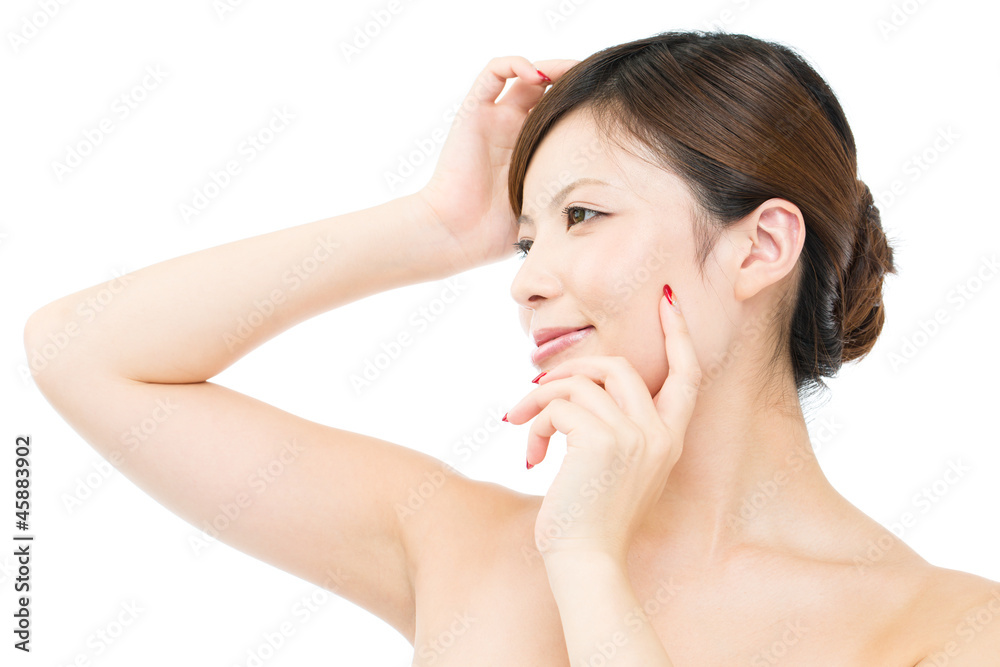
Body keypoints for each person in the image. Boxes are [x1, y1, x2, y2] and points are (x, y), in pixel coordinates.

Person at [24, 30, 1000, 665]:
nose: (524, 279)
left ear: (761, 246)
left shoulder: (945, 633)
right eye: (526, 234)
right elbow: (81, 351)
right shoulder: (455, 541)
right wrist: (438, 226)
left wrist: (587, 562)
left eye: (582, 214)